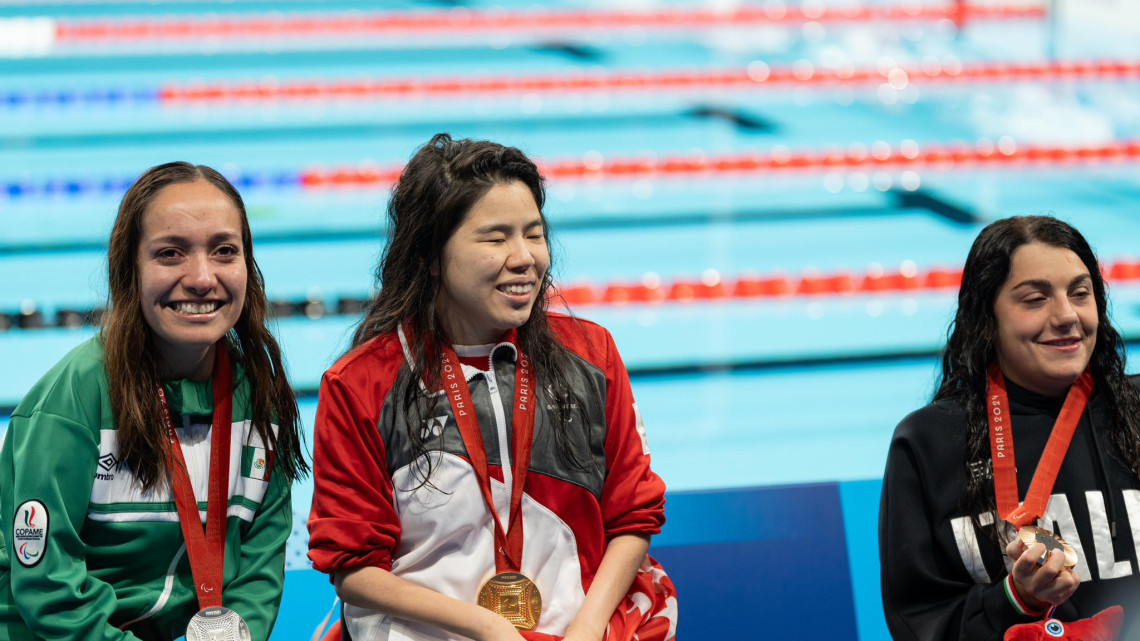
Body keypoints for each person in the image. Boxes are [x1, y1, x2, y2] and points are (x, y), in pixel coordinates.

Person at [307, 133, 676, 641]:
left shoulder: (591, 356)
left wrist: (589, 628)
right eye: (496, 238)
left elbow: (633, 515)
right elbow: (352, 566)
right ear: (431, 255)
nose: (525, 257)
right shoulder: (362, 384)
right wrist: (487, 628)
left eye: (534, 234)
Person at [0, 162, 308, 640]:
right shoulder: (75, 402)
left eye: (224, 251)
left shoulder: (260, 397)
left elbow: (259, 567)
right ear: (130, 269)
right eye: (171, 253)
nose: (203, 277)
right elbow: (50, 590)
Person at [879, 216, 1140, 640]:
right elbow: (920, 622)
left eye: (1080, 293)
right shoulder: (931, 443)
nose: (1067, 316)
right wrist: (1014, 600)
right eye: (1035, 299)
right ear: (987, 317)